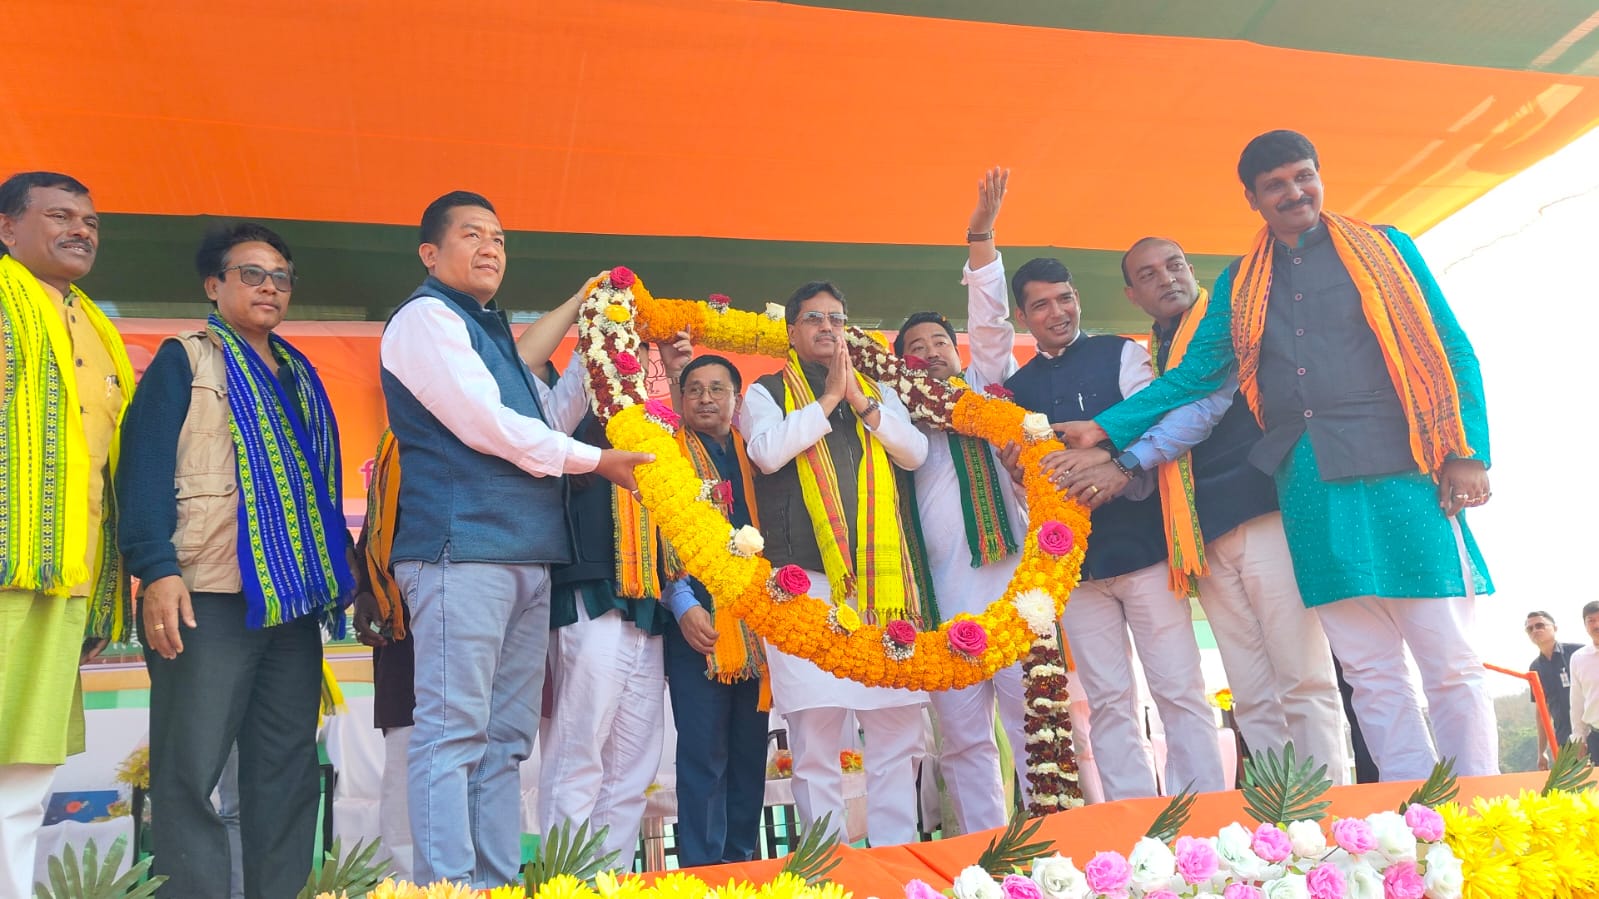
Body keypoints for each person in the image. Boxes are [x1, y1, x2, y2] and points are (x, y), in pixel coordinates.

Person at [1062, 129, 1497, 779]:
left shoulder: (1386, 247)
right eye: (1276, 185)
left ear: (1319, 175)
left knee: (1448, 658)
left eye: (1303, 176)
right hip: (1311, 486)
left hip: (1404, 469)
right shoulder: (1242, 281)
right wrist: (1105, 427)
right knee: (1368, 668)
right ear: (1252, 199)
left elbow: (1448, 345)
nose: (1294, 192)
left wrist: (1467, 450)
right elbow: (1198, 374)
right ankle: (1413, 812)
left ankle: (1478, 804)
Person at [379, 192, 649, 887]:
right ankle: (448, 888)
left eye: (499, 237)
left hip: (529, 556)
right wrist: (597, 461)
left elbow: (546, 417)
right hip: (462, 550)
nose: (491, 247)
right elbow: (487, 424)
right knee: (453, 733)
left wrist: (599, 345)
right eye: (472, 234)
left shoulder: (491, 334)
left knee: (504, 742)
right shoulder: (426, 319)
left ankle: (495, 882)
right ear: (430, 253)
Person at [1055, 235, 1347, 781]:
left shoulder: (1223, 325)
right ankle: (1284, 814)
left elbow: (1202, 409)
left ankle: (1329, 811)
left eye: (1174, 265)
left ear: (1192, 270)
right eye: (1148, 274)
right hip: (1202, 534)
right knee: (1250, 691)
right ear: (1132, 295)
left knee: (1303, 678)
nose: (1167, 278)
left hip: (1262, 516)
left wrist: (1120, 461)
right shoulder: (1157, 351)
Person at [119, 221, 354, 897]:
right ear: (213, 285)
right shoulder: (184, 361)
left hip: (290, 602)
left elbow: (318, 493)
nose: (269, 287)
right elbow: (142, 469)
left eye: (281, 277)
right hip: (205, 595)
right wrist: (157, 569)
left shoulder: (301, 375)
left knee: (286, 770)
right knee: (189, 771)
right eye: (252, 274)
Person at [990, 234, 1225, 801]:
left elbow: (1158, 420)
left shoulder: (1121, 353)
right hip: (1074, 569)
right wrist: (1019, 473)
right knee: (1108, 701)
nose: (1057, 313)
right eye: (1041, 305)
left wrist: (1103, 454)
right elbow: (1025, 487)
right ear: (1023, 317)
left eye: (1065, 298)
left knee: (1178, 689)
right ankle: (1133, 821)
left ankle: (1205, 816)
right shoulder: (1014, 392)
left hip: (1144, 548)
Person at [739, 281, 930, 846]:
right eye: (814, 318)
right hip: (804, 586)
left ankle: (897, 860)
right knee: (816, 735)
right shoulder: (766, 391)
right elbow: (765, 453)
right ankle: (828, 864)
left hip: (880, 589)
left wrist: (861, 403)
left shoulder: (877, 392)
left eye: (837, 319)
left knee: (894, 733)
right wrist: (826, 400)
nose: (827, 327)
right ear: (792, 331)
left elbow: (915, 453)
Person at [0, 172, 134, 898]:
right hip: (7, 565)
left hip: (62, 575)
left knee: (25, 770)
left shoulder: (97, 329)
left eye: (90, 220)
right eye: (59, 215)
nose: (81, 229)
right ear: (7, 228)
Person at [654, 350, 772, 866]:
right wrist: (682, 603)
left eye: (717, 389)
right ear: (680, 399)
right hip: (695, 622)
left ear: (736, 399)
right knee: (703, 753)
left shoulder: (758, 456)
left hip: (756, 622)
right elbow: (653, 529)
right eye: (695, 389)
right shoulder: (667, 455)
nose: (705, 398)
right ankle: (701, 874)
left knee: (749, 753)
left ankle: (741, 866)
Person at [538, 411, 670, 871]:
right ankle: (565, 883)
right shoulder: (566, 421)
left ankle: (610, 879)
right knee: (578, 752)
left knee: (632, 768)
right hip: (587, 597)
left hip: (647, 605)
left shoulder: (655, 429)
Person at [1569, 602, 1599, 765]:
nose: (1596, 625)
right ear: (1585, 625)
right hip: (1596, 738)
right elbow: (1577, 702)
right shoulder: (1579, 658)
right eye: (1591, 621)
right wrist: (1579, 738)